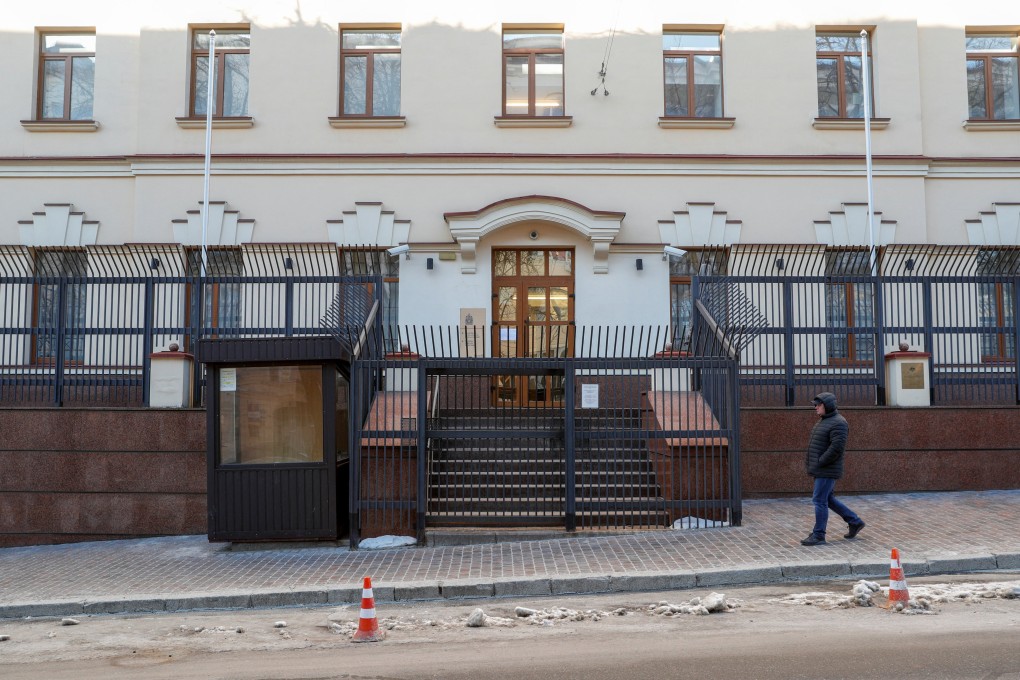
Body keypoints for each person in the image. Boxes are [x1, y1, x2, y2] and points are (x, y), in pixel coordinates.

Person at [801, 392, 865, 546]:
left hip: (827, 469)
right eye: (815, 405)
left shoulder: (839, 423)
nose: (816, 407)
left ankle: (819, 535)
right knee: (827, 499)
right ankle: (854, 521)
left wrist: (821, 461)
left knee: (819, 500)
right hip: (821, 468)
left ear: (827, 406)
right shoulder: (824, 421)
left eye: (818, 405)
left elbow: (836, 448)